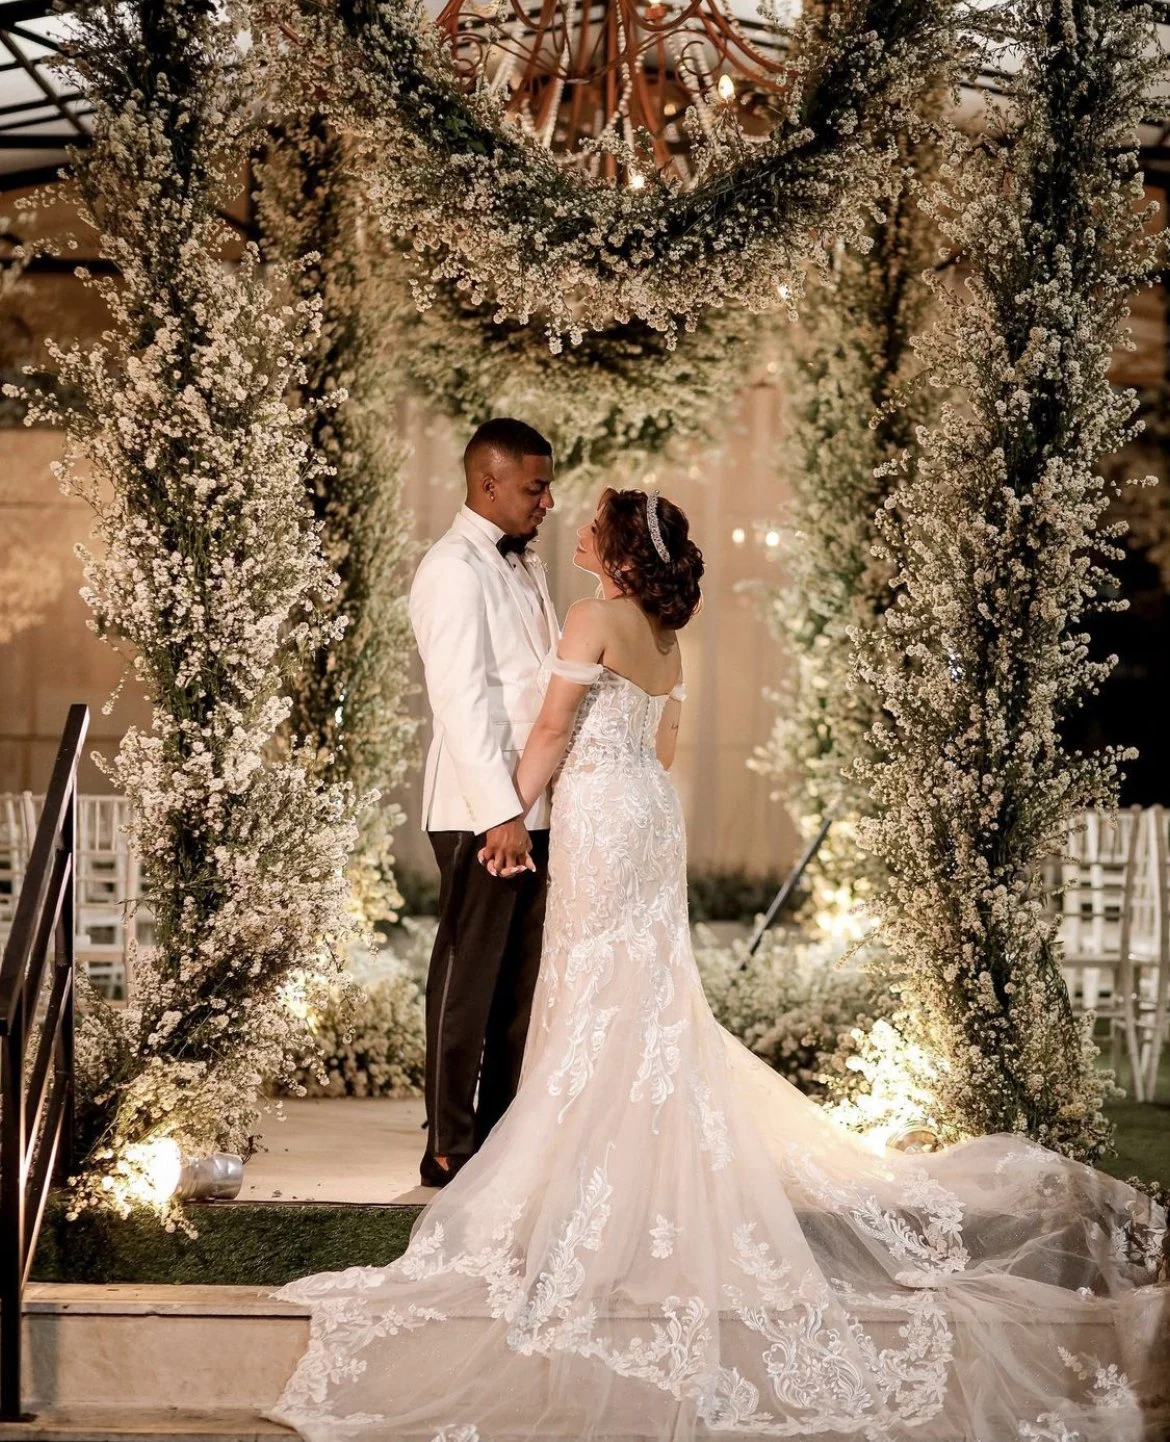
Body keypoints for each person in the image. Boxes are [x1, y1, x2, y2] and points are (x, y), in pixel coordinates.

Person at [270, 487, 1169, 1442]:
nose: (575, 524)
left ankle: (589, 1181)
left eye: (594, 521)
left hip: (601, 817)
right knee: (645, 992)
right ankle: (629, 1165)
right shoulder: (663, 633)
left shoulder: (592, 614)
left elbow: (548, 732)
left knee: (598, 989)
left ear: (616, 547)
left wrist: (506, 820)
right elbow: (663, 744)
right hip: (649, 818)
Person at [407, 418, 558, 1188]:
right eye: (535, 487)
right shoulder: (451, 570)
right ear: (488, 483)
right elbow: (461, 702)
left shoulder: (526, 564)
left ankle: (498, 1140)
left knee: (516, 986)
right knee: (468, 981)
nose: (548, 501)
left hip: (530, 806)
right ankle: (448, 1144)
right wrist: (500, 811)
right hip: (479, 810)